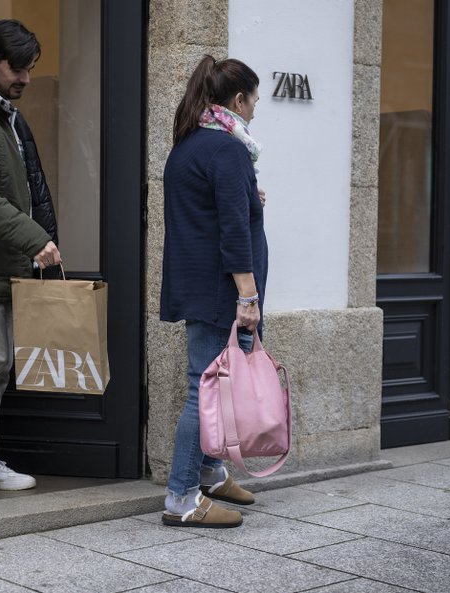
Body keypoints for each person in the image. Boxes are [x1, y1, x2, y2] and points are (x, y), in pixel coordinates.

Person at [159, 55, 268, 527]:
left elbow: (208, 209)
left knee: (213, 387)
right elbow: (232, 229)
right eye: (255, 100)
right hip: (220, 291)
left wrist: (249, 197)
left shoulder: (190, 145)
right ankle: (181, 499)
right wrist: (248, 296)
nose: (256, 109)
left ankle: (210, 471)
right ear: (238, 100)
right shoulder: (227, 149)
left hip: (200, 285)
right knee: (202, 390)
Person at [0, 19, 61, 490]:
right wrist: (35, 238)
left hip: (7, 265)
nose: (26, 78)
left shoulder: (3, 113)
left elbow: (27, 190)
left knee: (0, 366)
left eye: (29, 68)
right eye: (18, 68)